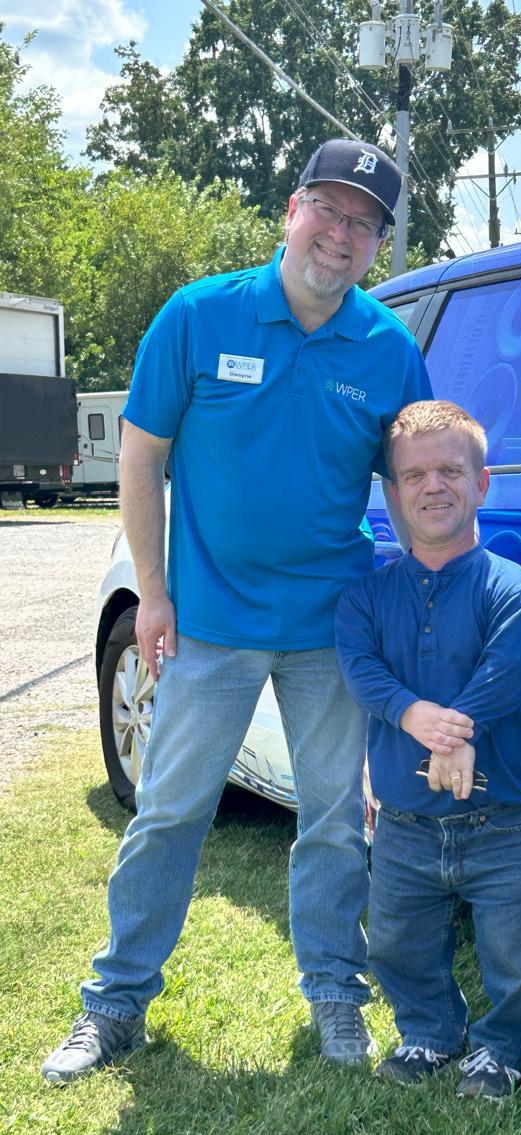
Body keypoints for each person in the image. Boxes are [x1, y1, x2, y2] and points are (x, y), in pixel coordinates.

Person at [43, 139, 433, 1084]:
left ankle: (335, 990)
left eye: (364, 223)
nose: (341, 235)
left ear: (378, 243)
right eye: (328, 210)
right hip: (210, 623)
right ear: (291, 210)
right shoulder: (197, 313)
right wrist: (152, 589)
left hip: (331, 629)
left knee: (335, 819)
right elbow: (142, 455)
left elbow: (416, 480)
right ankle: (115, 1003)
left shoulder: (388, 349)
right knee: (172, 811)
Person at [335, 400, 521, 1100]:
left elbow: (510, 667)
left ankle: (503, 1048)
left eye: (450, 471)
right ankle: (429, 1032)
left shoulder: (510, 588)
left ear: (481, 483)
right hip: (404, 822)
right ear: (394, 492)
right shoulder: (366, 597)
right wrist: (416, 715)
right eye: (414, 475)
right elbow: (361, 667)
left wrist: (454, 727)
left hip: (507, 821)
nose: (433, 485)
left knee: (517, 954)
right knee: (396, 943)